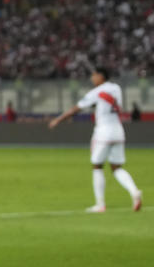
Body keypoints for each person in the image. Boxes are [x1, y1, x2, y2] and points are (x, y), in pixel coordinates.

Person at [49, 67, 143, 212]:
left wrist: (58, 120)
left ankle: (100, 204)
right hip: (118, 131)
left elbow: (76, 108)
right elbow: (106, 103)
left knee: (97, 166)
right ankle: (134, 191)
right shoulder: (116, 88)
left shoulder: (95, 92)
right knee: (116, 167)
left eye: (94, 75)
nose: (92, 78)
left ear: (101, 76)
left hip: (103, 132)